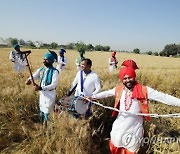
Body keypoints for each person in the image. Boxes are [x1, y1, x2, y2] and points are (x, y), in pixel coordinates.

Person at [89, 66, 180, 154]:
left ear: (134, 77)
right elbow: (106, 93)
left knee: (131, 150)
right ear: (122, 80)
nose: (127, 80)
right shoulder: (119, 89)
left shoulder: (144, 90)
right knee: (115, 147)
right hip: (119, 127)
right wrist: (92, 97)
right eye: (125, 78)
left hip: (134, 128)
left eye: (130, 77)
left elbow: (164, 98)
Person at [26, 52, 59, 128]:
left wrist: (41, 88)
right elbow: (34, 76)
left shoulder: (55, 71)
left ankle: (49, 128)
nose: (44, 61)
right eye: (44, 59)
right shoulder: (41, 69)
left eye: (46, 60)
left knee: (48, 111)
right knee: (42, 109)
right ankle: (42, 126)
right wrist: (29, 80)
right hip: (42, 94)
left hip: (50, 95)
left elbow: (53, 85)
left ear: (50, 61)